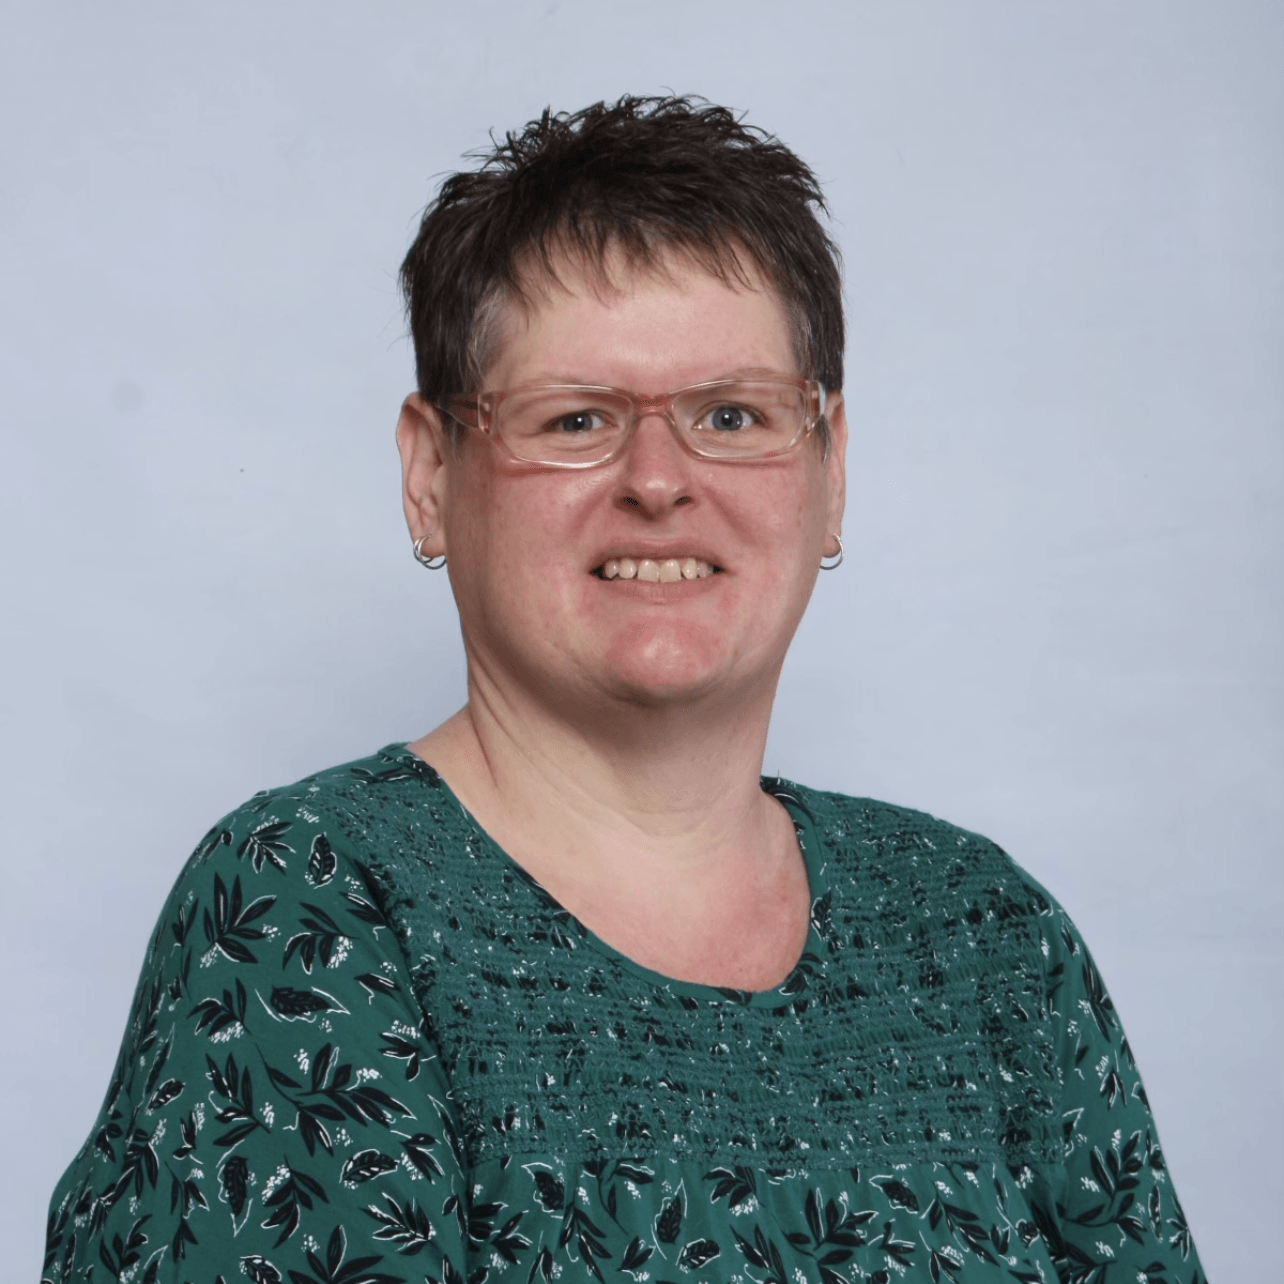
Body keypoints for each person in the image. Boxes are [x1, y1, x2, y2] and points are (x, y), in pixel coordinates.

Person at [44, 96, 1205, 1284]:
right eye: (579, 418)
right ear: (433, 473)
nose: (660, 480)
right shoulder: (308, 908)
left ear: (829, 470)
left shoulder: (983, 932)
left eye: (732, 415)